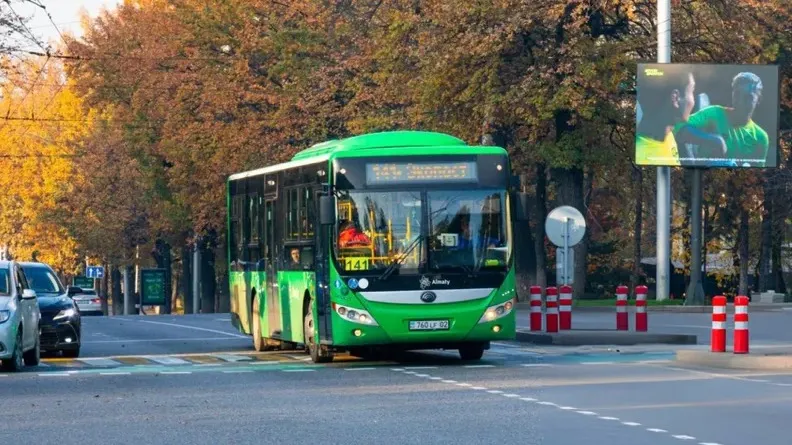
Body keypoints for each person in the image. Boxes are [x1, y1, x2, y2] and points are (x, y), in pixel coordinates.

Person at [675, 72, 770, 166]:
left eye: (748, 97)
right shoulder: (714, 113)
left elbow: (758, 174)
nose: (740, 102)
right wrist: (712, 140)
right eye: (737, 94)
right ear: (732, 94)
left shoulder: (761, 137)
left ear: (759, 100)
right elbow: (677, 126)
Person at [635, 68, 698, 166]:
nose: (693, 101)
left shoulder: (665, 130)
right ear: (675, 97)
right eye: (692, 91)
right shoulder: (646, 159)